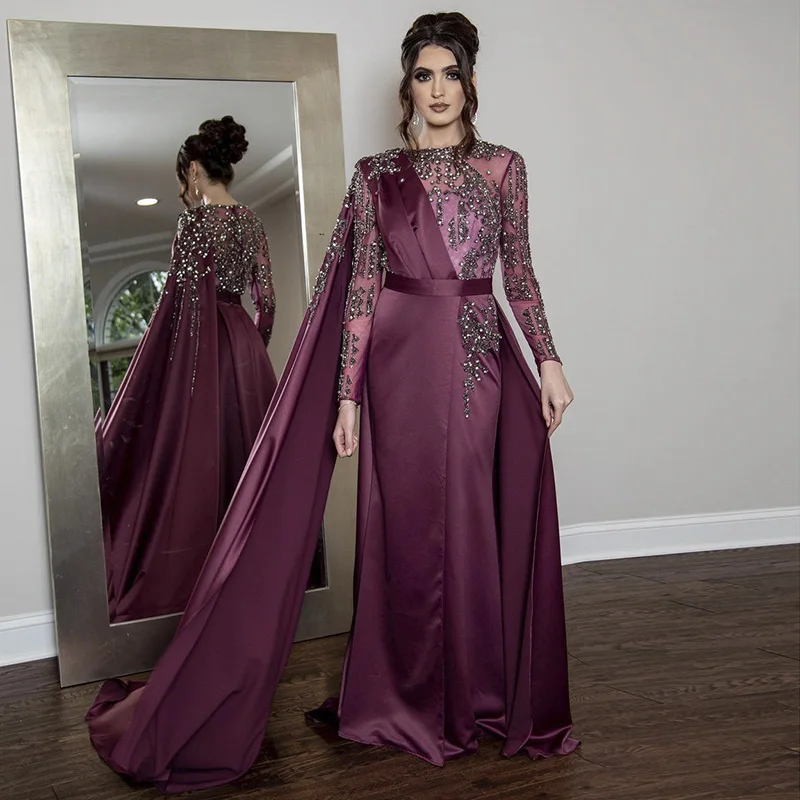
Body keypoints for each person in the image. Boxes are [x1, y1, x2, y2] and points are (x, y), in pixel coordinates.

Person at [86, 14, 577, 793]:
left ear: (471, 82)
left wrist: (548, 360)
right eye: (424, 75)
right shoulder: (376, 174)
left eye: (451, 74)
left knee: (475, 520)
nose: (438, 90)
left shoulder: (503, 168)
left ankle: (479, 693)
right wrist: (346, 395)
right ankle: (406, 695)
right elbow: (360, 292)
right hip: (399, 364)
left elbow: (518, 272)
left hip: (481, 355)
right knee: (406, 528)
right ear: (407, 85)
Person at [99, 115, 277, 622]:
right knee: (247, 462)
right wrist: (249, 352)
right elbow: (267, 306)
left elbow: (179, 304)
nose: (183, 190)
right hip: (245, 346)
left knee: (197, 458)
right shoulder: (252, 222)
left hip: (203, 348)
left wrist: (169, 366)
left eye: (183, 179)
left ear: (195, 170)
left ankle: (204, 577)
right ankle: (253, 577)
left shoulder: (194, 223)